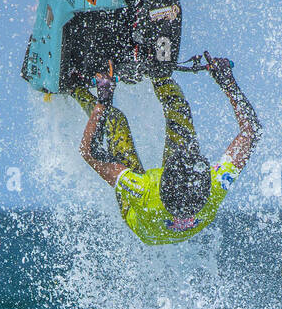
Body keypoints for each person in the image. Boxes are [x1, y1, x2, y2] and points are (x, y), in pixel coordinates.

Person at [75, 54, 261, 244]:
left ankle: (75, 87)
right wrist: (227, 82)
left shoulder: (142, 190)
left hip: (143, 224)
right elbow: (251, 131)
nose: (181, 152)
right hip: (179, 204)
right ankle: (157, 71)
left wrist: (103, 102)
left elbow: (90, 154)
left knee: (115, 121)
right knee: (178, 109)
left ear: (163, 176)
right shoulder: (215, 188)